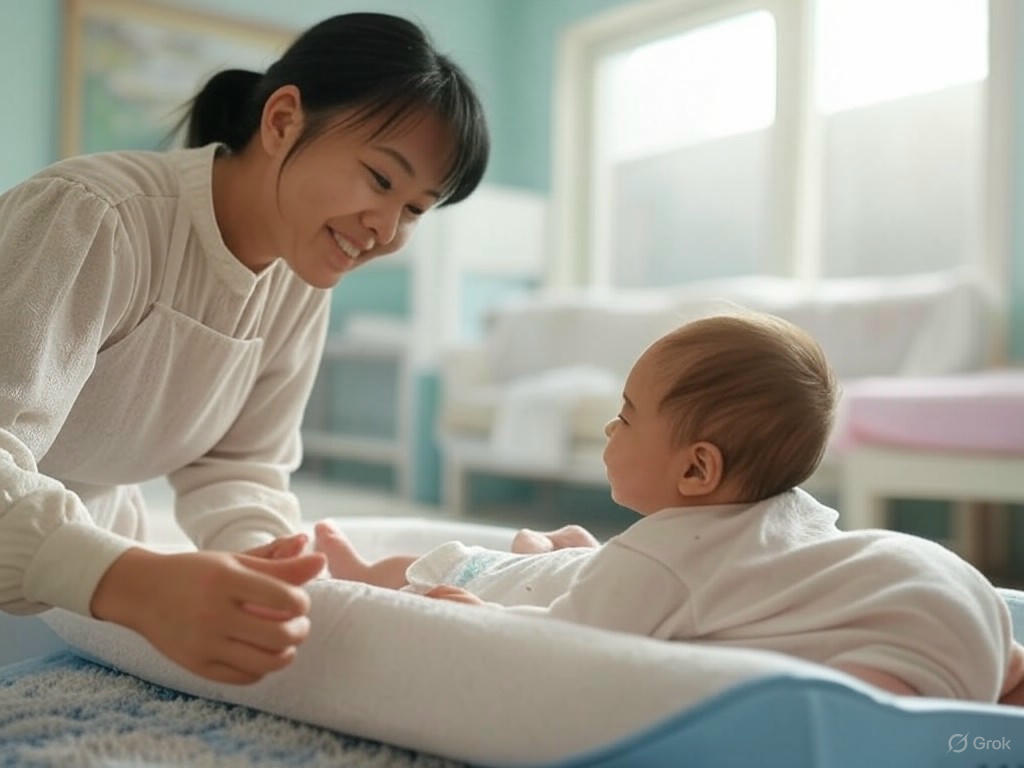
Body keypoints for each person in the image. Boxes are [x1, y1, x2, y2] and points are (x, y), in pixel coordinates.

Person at [0, 12, 488, 685]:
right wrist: (131, 581)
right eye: (380, 179)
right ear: (282, 120)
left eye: (414, 210)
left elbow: (239, 468)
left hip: (78, 553)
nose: (384, 228)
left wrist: (283, 582)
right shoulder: (94, 216)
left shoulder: (299, 276)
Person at [315, 312, 1024, 704]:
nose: (609, 427)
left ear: (696, 469)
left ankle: (361, 574)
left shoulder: (660, 562)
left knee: (445, 570)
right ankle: (1007, 683)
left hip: (903, 654)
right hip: (957, 591)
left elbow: (559, 647)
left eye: (626, 416)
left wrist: (480, 619)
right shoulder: (788, 516)